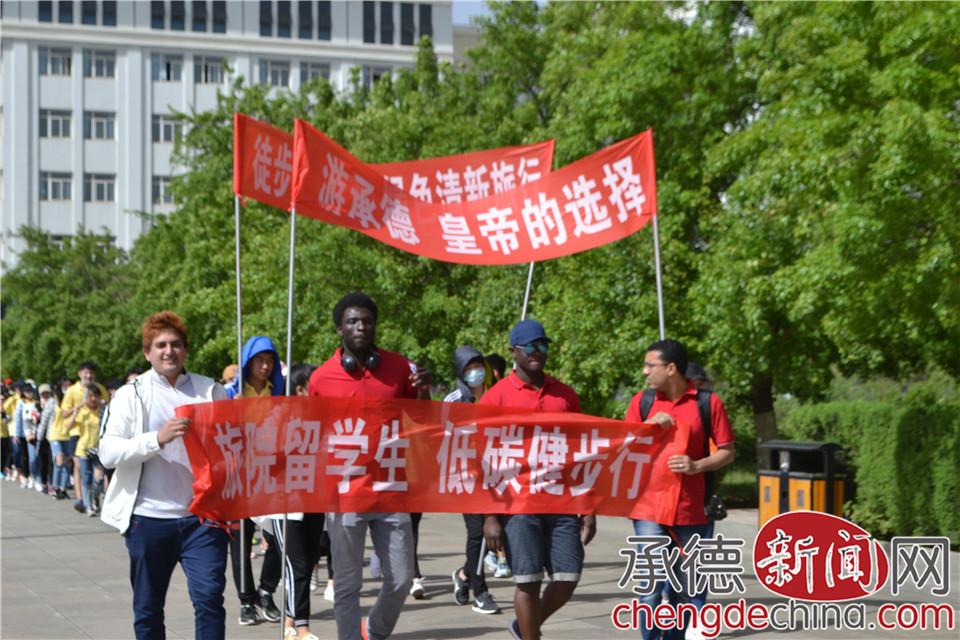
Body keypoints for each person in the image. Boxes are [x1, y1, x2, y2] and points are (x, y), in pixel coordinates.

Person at [99, 311, 231, 640]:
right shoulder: (130, 394)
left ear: (186, 349)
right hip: (148, 520)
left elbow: (233, 448)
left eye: (176, 344)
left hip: (203, 520)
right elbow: (108, 453)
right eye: (160, 345)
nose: (169, 351)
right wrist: (156, 439)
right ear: (147, 352)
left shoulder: (210, 391)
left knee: (210, 600)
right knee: (148, 608)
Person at [308, 291, 431, 640]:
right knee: (347, 584)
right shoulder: (321, 378)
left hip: (391, 489)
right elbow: (312, 433)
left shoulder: (399, 367)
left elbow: (423, 420)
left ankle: (374, 632)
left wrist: (424, 391)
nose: (361, 326)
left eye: (367, 321)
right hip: (344, 494)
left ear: (375, 326)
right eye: (352, 321)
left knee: (401, 579)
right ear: (339, 329)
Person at [480, 319, 596, 640]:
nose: (537, 351)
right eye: (530, 346)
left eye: (542, 345)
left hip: (562, 503)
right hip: (517, 505)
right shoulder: (494, 398)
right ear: (513, 351)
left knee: (568, 577)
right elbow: (482, 461)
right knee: (528, 581)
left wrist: (588, 506)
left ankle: (524, 627)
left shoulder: (565, 396)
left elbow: (581, 454)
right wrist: (489, 516)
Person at [625, 341, 735, 640]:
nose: (645, 372)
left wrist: (697, 465)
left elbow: (728, 452)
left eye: (650, 366)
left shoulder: (709, 403)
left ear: (671, 368)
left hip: (691, 510)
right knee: (650, 586)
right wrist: (647, 426)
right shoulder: (642, 402)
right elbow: (623, 447)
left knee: (684, 588)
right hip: (648, 509)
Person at [224, 336, 285, 626]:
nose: (265, 365)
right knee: (240, 540)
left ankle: (266, 591)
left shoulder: (280, 392)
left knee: (279, 537)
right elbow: (216, 431)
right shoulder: (230, 393)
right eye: (260, 360)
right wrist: (230, 410)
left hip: (272, 474)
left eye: (270, 360)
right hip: (239, 475)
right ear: (248, 362)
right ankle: (247, 600)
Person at [444, 345, 502, 615]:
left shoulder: (497, 394)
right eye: (468, 368)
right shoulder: (453, 400)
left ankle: (465, 574)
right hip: (466, 476)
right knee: (478, 531)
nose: (475, 372)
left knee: (500, 531)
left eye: (478, 366)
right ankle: (481, 592)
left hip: (498, 473)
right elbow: (444, 438)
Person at [274, 361, 325, 640]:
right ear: (299, 389)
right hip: (286, 505)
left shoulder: (323, 419)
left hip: (314, 501)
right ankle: (300, 627)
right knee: (298, 566)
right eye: (315, 385)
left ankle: (290, 621)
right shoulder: (278, 418)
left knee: (306, 561)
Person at [60, 362, 109, 513]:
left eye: (91, 373)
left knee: (98, 475)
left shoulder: (99, 388)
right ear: (79, 373)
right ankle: (82, 499)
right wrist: (78, 407)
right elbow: (64, 414)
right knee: (80, 467)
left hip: (96, 435)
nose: (89, 376)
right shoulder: (72, 390)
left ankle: (92, 499)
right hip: (78, 432)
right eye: (86, 373)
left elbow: (107, 403)